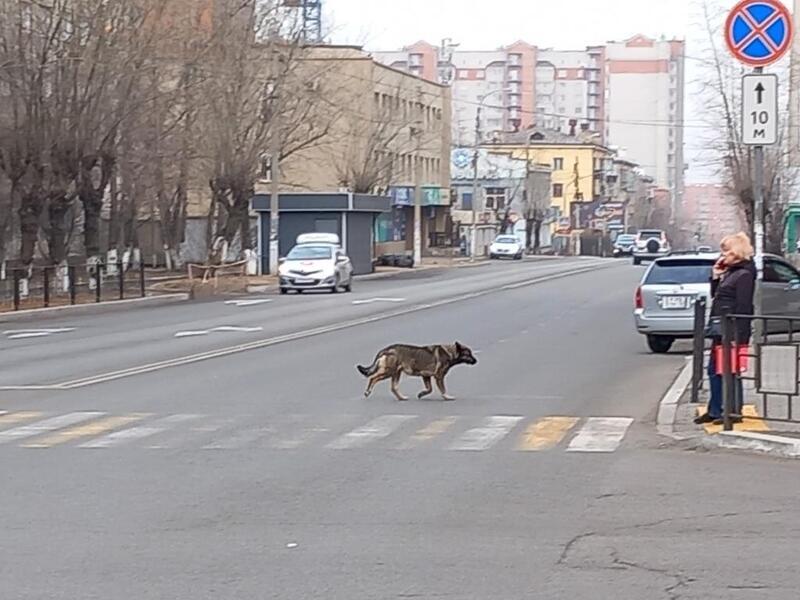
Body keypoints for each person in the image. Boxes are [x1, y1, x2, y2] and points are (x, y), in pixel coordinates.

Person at [694, 232, 755, 426]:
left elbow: (744, 307)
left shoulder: (744, 274)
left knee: (729, 371)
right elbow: (718, 296)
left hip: (732, 331)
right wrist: (715, 277)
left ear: (737, 252)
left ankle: (731, 411)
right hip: (721, 329)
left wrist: (739, 335)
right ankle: (715, 409)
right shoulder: (731, 272)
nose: (722, 256)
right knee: (714, 370)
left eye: (726, 251)